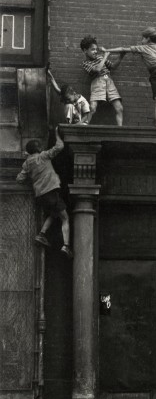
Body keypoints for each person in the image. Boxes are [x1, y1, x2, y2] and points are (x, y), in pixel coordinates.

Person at [102, 27, 156, 128]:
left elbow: (122, 49)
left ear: (148, 39)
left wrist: (106, 50)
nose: (141, 40)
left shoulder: (142, 48)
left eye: (143, 38)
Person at [16, 127, 73, 258]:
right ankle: (66, 246)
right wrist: (57, 134)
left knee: (54, 214)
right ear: (38, 149)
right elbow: (60, 146)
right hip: (51, 192)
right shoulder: (44, 156)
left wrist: (29, 160)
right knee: (65, 218)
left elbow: (19, 179)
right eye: (40, 147)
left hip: (40, 196)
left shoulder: (27, 163)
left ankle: (41, 234)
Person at [80, 35, 125, 126]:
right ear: (85, 51)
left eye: (96, 49)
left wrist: (121, 56)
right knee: (92, 108)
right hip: (97, 82)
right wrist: (105, 56)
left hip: (109, 81)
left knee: (119, 108)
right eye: (92, 49)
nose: (95, 51)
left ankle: (120, 130)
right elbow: (97, 69)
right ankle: (84, 125)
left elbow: (112, 66)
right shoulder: (85, 63)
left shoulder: (100, 58)